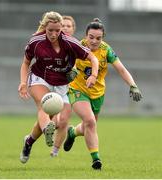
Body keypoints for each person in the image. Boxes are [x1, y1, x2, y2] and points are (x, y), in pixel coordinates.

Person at [18, 11, 99, 164]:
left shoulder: (70, 42)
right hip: (39, 78)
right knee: (43, 106)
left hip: (62, 85)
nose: (54, 34)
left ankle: (29, 141)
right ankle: (46, 131)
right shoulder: (36, 41)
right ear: (45, 27)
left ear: (61, 28)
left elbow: (92, 58)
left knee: (58, 121)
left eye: (57, 30)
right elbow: (26, 63)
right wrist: (23, 82)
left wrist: (93, 75)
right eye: (50, 30)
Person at [63, 18, 142, 170]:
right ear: (86, 36)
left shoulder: (106, 50)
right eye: (91, 37)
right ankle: (96, 160)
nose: (94, 41)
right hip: (77, 90)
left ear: (103, 38)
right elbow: (70, 64)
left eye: (98, 38)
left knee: (89, 126)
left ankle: (72, 132)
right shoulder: (78, 46)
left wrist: (133, 86)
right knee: (90, 121)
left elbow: (121, 69)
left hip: (98, 93)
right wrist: (71, 71)